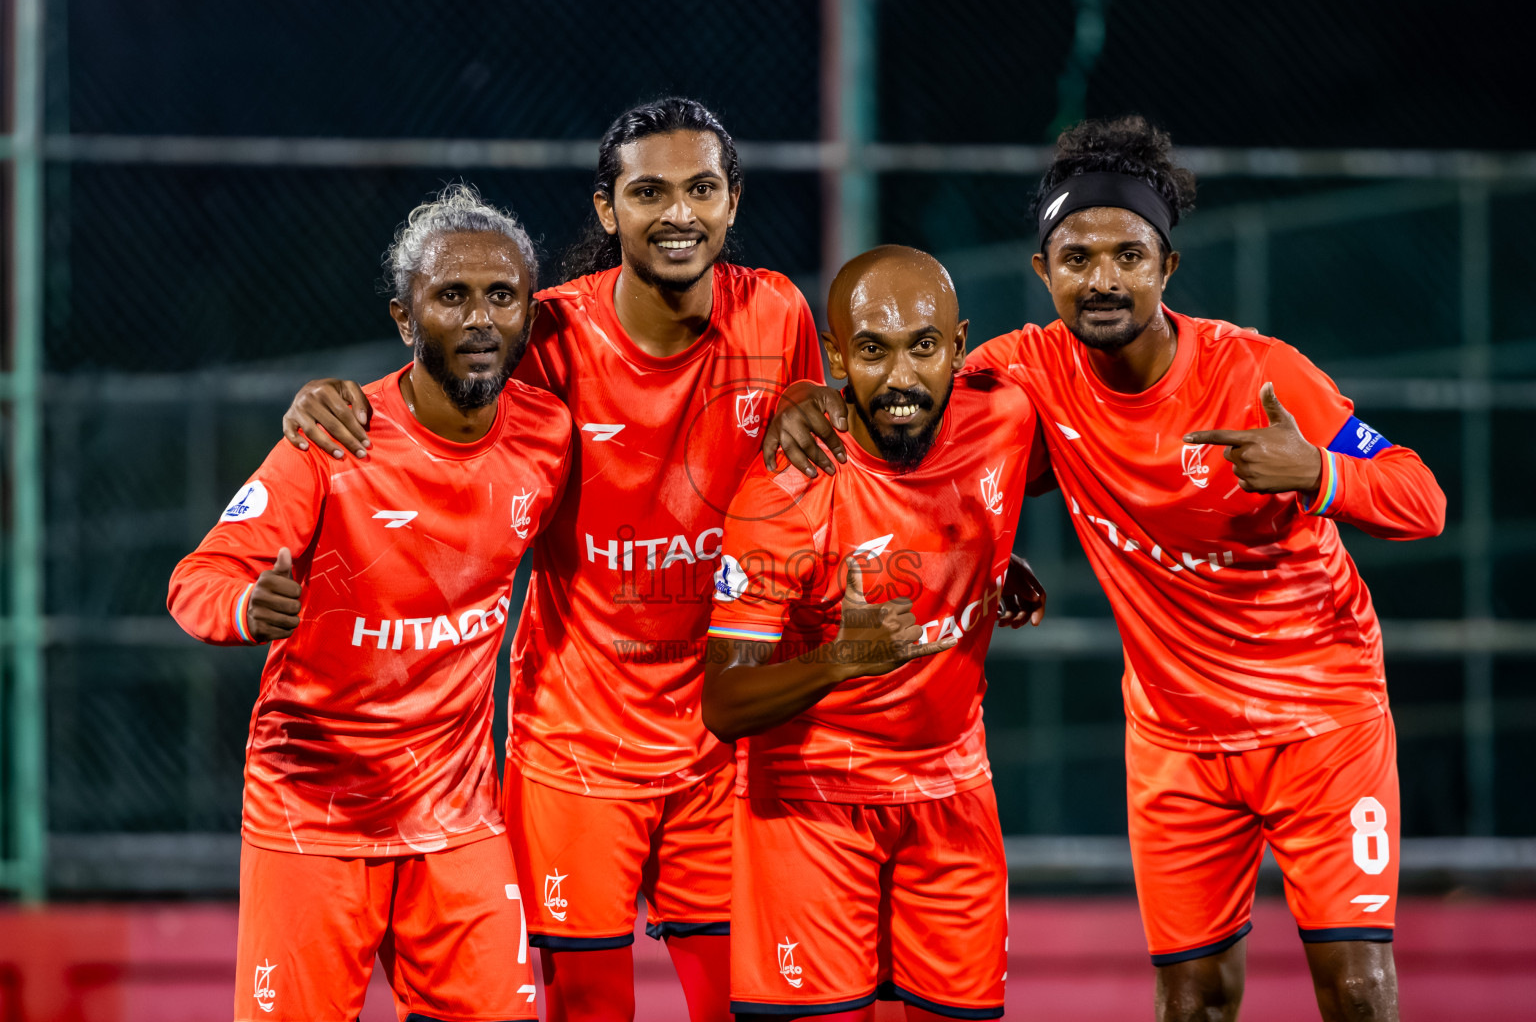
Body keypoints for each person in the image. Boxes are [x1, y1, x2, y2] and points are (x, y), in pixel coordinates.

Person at [764, 117, 1446, 1022]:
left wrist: (1319, 474)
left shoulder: (1260, 372)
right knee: (1193, 994)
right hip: (1174, 741)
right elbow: (913, 406)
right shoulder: (1025, 369)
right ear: (1044, 273)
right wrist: (815, 395)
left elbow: (1422, 497)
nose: (1104, 278)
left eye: (1129, 255)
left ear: (1167, 268)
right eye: (1077, 257)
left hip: (1321, 719)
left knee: (1354, 986)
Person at [279, 98, 824, 1022]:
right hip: (575, 751)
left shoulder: (777, 313)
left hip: (718, 746)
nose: (679, 213)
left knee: (738, 1005)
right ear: (609, 213)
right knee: (588, 1009)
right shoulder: (550, 338)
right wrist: (333, 402)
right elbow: (439, 403)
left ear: (734, 202)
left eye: (701, 189)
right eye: (649, 192)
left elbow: (817, 485)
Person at [167, 185, 571, 1022]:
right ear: (403, 318)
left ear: (528, 315)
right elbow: (195, 580)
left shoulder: (549, 436)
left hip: (456, 819)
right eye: (451, 296)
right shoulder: (332, 439)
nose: (479, 318)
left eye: (501, 295)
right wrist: (249, 607)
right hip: (312, 815)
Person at [703, 246, 1046, 1021]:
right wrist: (838, 659)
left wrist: (997, 550)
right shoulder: (787, 486)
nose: (899, 378)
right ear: (835, 358)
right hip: (811, 804)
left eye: (923, 347)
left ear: (959, 346)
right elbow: (722, 703)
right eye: (872, 350)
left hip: (953, 797)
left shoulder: (1006, 418)